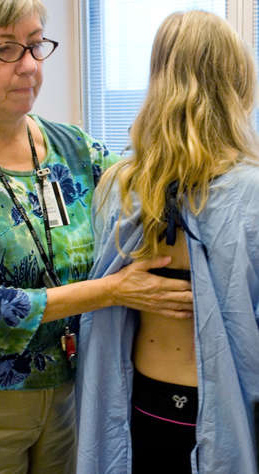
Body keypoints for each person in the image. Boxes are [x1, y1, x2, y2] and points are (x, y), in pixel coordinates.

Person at [0, 1, 193, 473]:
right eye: (5, 48)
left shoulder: (71, 148)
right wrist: (112, 292)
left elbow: (148, 188)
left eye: (36, 45)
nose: (29, 66)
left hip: (65, 393)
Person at [76, 10, 259, 474]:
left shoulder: (122, 186)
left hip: (143, 403)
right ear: (236, 83)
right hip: (226, 414)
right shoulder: (249, 193)